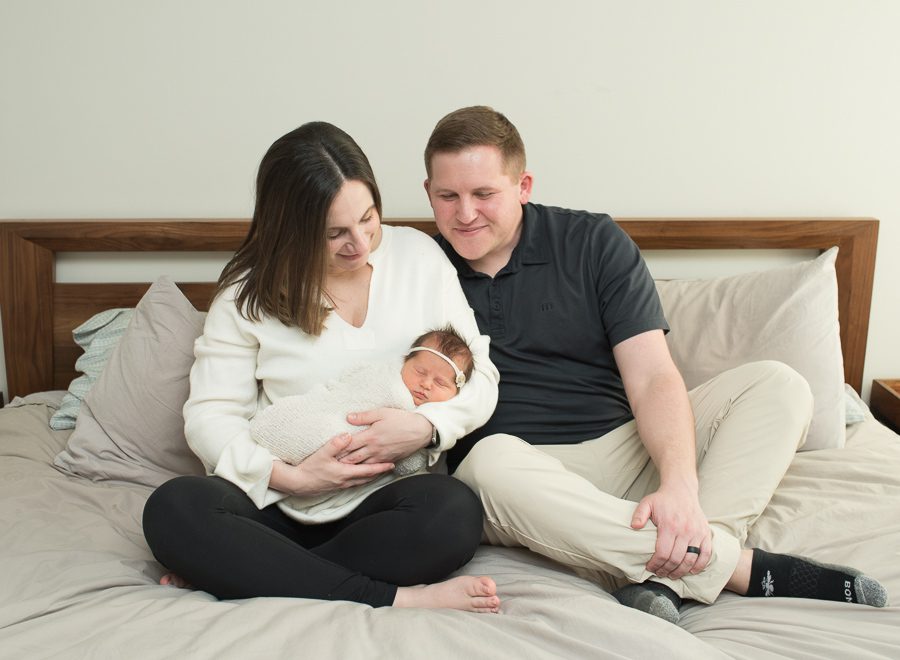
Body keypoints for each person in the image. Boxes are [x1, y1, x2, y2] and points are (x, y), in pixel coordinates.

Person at [421, 105, 887, 623]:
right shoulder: (419, 273)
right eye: (448, 196)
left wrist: (679, 486)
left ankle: (669, 570)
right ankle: (733, 566)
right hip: (527, 478)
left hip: (630, 447)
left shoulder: (592, 242)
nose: (465, 214)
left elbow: (653, 376)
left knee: (780, 384)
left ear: (523, 185)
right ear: (429, 193)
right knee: (485, 462)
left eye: (484, 194)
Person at [142, 121, 501, 614]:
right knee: (174, 509)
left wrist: (423, 426)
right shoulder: (246, 294)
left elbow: (480, 375)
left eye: (369, 219)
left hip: (380, 504)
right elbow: (210, 415)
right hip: (274, 504)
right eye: (334, 233)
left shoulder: (420, 258)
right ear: (291, 229)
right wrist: (292, 479)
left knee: (453, 513)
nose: (359, 243)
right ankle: (389, 598)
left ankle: (251, 569)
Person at [250, 326, 475, 522]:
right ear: (405, 362)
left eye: (440, 383)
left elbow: (407, 462)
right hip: (322, 421)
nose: (425, 384)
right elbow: (348, 387)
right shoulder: (383, 378)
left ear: (457, 394)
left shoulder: (435, 414)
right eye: (420, 371)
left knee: (450, 507)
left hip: (365, 497)